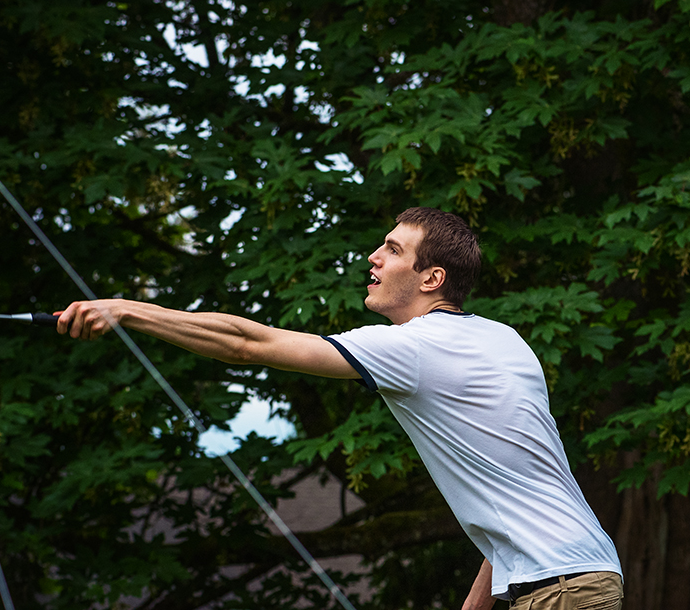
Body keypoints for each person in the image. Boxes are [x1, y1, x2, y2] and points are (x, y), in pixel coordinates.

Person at [56, 207, 623, 609]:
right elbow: (513, 502)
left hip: (563, 593)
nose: (374, 257)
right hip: (577, 575)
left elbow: (249, 344)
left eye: (394, 250)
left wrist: (128, 310)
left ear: (432, 278)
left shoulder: (417, 347)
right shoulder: (504, 340)